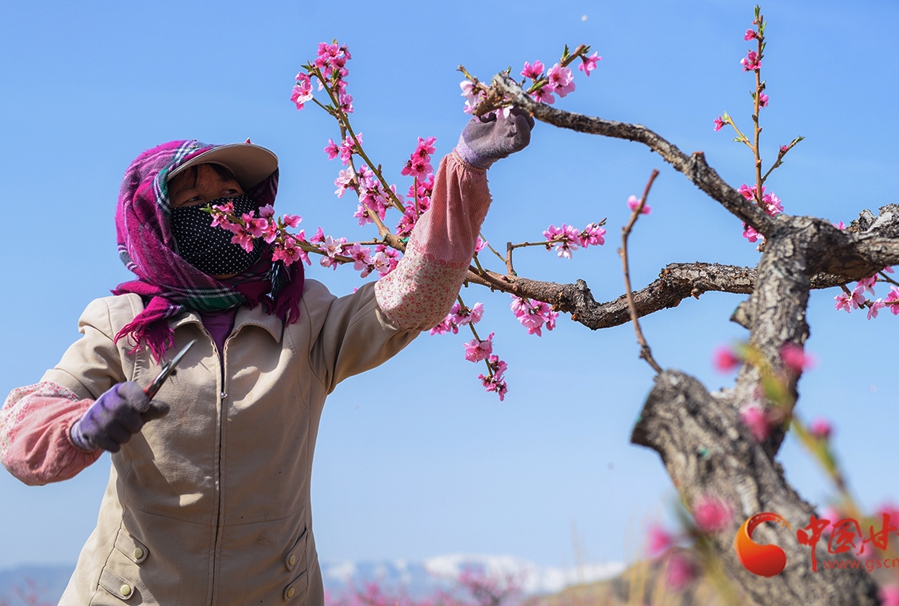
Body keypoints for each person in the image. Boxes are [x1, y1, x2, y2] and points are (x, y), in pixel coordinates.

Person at [0, 110, 533, 605]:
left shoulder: (304, 316)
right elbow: (28, 418)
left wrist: (464, 170)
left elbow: (409, 299)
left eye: (231, 195)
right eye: (195, 199)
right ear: (157, 221)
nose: (219, 210)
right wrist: (79, 428)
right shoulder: (123, 323)